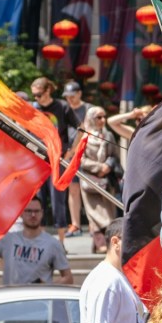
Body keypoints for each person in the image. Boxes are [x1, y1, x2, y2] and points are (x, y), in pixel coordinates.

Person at [31, 77, 79, 244]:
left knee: (57, 200)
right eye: (34, 96)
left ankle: (61, 243)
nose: (36, 99)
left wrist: (70, 152)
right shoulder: (33, 108)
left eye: (38, 95)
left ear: (47, 91)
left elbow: (80, 129)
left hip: (57, 159)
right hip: (38, 160)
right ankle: (41, 241)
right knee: (39, 199)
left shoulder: (62, 107)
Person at [0, 197, 73, 285]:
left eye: (36, 211)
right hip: (11, 297)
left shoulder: (53, 244)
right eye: (28, 211)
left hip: (37, 298)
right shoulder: (8, 240)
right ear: (21, 213)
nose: (33, 215)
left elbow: (68, 278)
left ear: (42, 213)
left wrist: (46, 287)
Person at [77, 106, 119, 253]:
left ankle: (106, 245)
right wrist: (98, 167)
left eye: (104, 117)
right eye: (98, 117)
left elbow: (115, 155)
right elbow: (81, 159)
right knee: (94, 215)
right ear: (91, 119)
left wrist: (107, 166)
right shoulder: (85, 137)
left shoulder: (108, 135)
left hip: (106, 182)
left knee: (109, 214)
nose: (102, 120)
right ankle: (100, 244)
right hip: (89, 181)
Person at [63, 81, 91, 238]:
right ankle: (75, 224)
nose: (70, 99)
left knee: (90, 189)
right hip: (70, 155)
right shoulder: (64, 109)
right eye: (67, 97)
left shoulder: (88, 109)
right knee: (73, 189)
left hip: (87, 155)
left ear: (79, 93)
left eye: (72, 96)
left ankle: (95, 226)